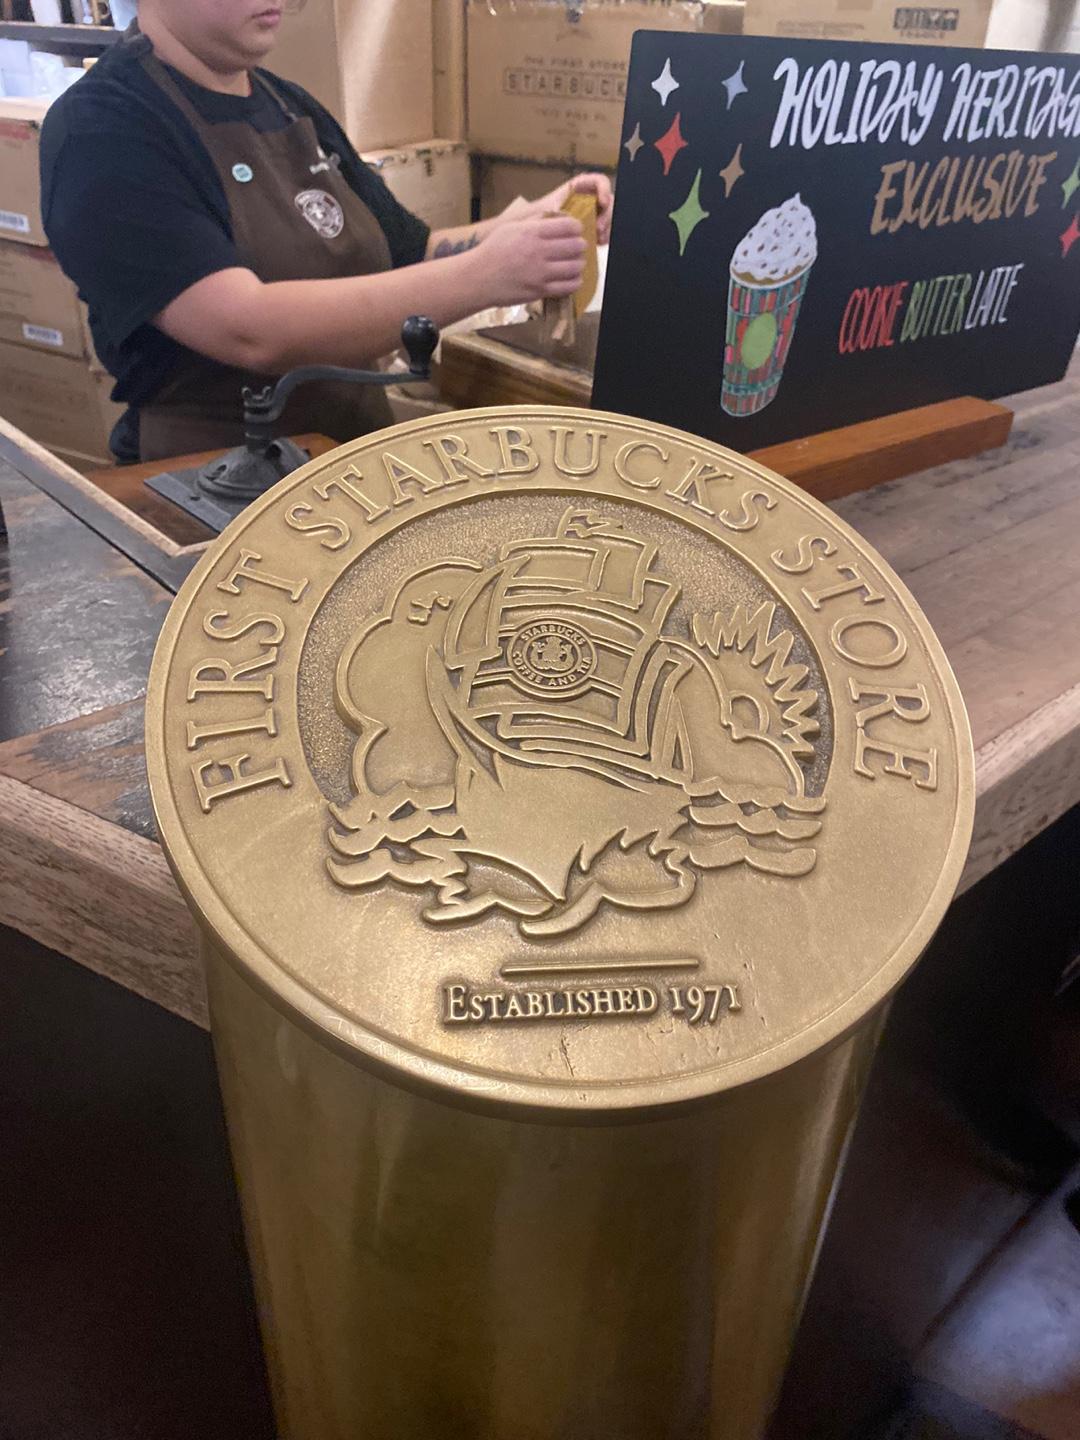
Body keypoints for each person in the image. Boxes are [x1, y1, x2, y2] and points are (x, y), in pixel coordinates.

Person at [40, 0, 613, 463]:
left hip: (349, 459)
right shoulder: (104, 128)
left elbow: (414, 255)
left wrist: (536, 222)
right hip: (213, 481)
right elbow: (248, 330)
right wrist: (486, 275)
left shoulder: (288, 105)